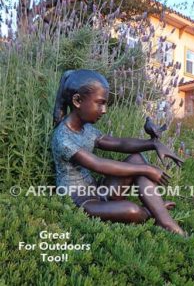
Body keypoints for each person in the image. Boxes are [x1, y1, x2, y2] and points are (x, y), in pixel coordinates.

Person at [51, 69, 185, 236]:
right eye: (99, 103)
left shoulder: (87, 130)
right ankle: (150, 211)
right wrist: (147, 169)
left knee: (136, 158)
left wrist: (152, 143)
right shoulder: (63, 138)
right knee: (132, 210)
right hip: (80, 202)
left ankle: (164, 220)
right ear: (78, 101)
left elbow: (118, 143)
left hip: (97, 191)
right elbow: (98, 164)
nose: (104, 110)